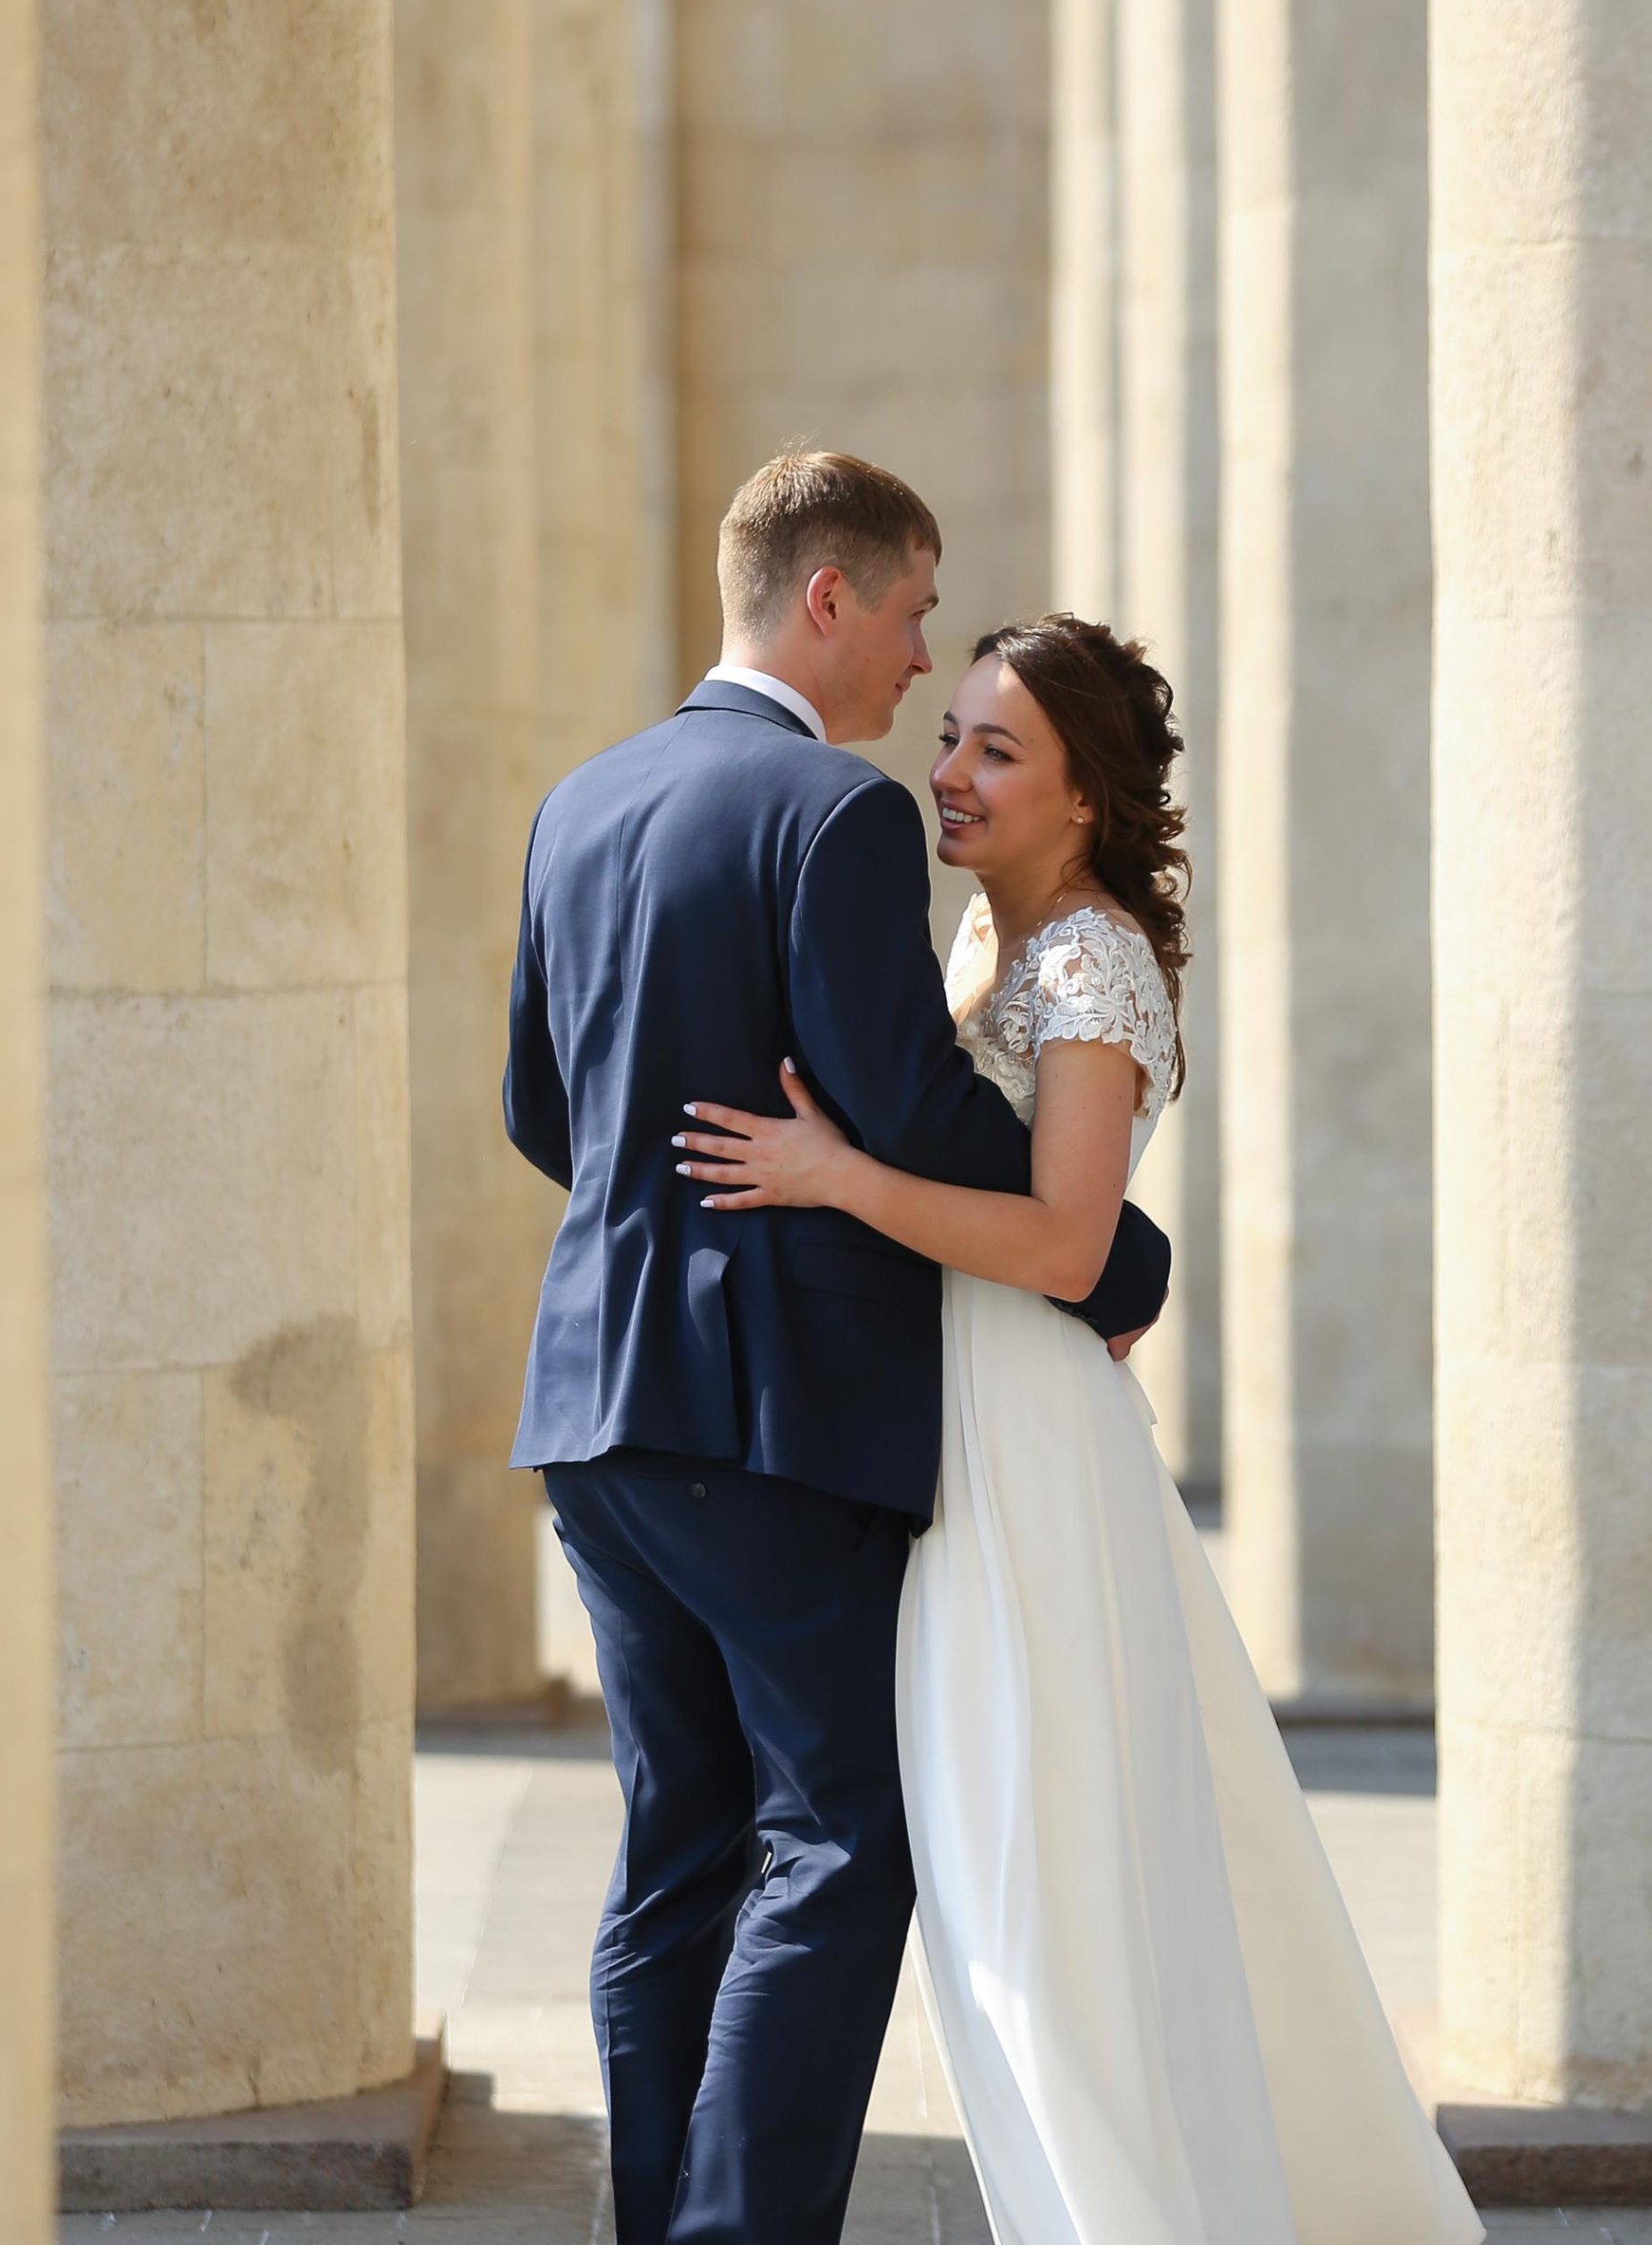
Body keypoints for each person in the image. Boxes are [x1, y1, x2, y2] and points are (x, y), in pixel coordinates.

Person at [677, 614, 1486, 2245]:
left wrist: (837, 1177)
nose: (952, 769)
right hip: (955, 1432)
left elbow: (1064, 1246)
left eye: (998, 749)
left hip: (1030, 1448)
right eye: (955, 731)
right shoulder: (981, 950)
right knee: (997, 1875)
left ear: (1084, 801)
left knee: (1038, 1881)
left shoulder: (1088, 960)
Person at [502, 452, 1172, 2245]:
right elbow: (900, 1104)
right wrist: (1122, 1259)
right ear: (830, 598)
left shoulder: (579, 800)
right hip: (764, 1419)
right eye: (911, 612)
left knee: (678, 1854)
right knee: (836, 1843)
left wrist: (673, 1205)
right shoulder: (831, 811)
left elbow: (540, 1107)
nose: (916, 659)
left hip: (589, 1406)